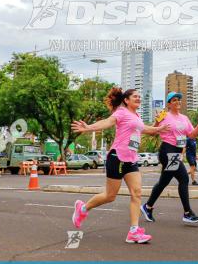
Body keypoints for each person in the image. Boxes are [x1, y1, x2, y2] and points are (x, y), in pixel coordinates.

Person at [70, 87, 168, 244]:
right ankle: (82, 209)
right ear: (126, 100)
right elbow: (107, 122)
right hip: (118, 158)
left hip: (131, 160)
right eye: (135, 96)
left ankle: (134, 232)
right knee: (110, 196)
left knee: (136, 193)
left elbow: (147, 130)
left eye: (139, 96)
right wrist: (89, 128)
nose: (138, 98)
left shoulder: (136, 116)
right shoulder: (121, 112)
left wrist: (159, 127)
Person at [140, 92, 198, 225]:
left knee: (163, 182)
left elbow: (191, 135)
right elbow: (153, 131)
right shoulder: (164, 115)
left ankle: (148, 206)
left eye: (179, 99)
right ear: (169, 104)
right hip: (167, 150)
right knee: (184, 178)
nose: (177, 102)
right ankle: (187, 213)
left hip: (177, 151)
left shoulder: (184, 118)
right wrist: (157, 121)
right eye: (174, 100)